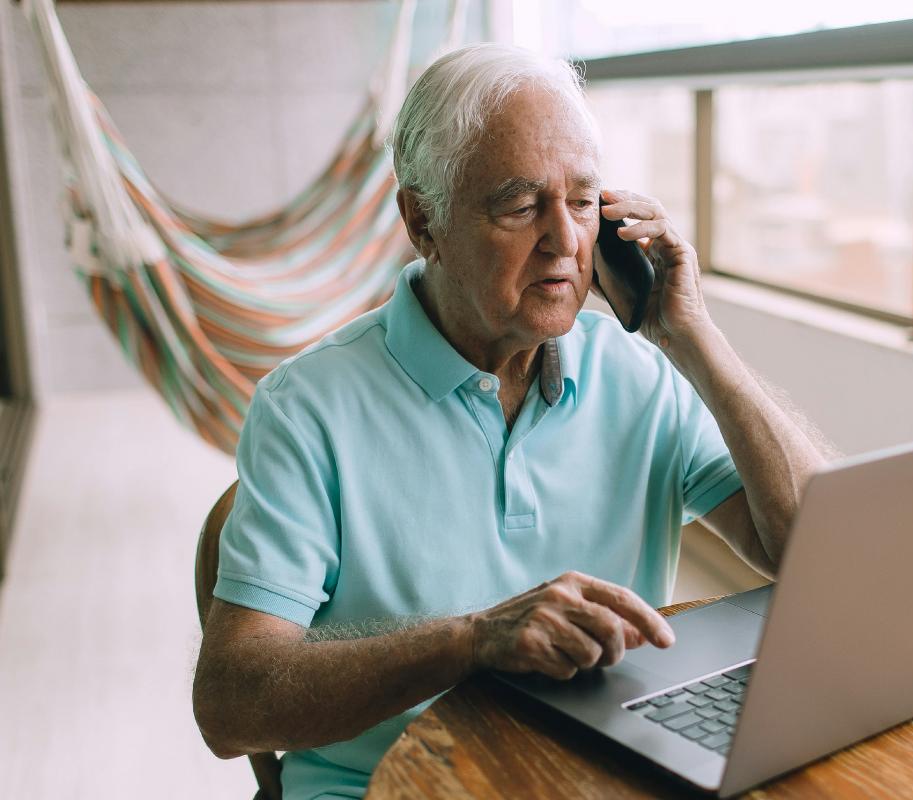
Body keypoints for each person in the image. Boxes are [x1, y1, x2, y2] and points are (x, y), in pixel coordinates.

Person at [193, 43, 831, 799]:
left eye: (584, 202)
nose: (565, 240)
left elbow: (820, 557)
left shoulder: (641, 372)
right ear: (423, 220)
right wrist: (472, 642)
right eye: (521, 206)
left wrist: (695, 340)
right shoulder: (307, 408)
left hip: (593, 774)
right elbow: (232, 706)